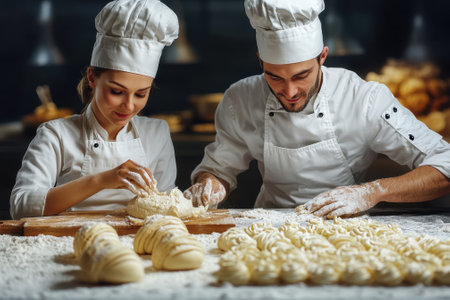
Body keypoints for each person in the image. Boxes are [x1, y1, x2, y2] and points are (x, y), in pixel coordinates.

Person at [183, 0, 450, 217]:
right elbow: (219, 170)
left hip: (348, 234)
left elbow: (445, 164)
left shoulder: (363, 98)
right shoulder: (240, 99)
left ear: (322, 57)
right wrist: (209, 186)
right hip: (269, 231)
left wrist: (371, 192)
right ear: (261, 61)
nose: (289, 92)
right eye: (274, 77)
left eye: (301, 76)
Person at [10, 0, 179, 220]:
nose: (128, 106)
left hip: (140, 243)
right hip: (69, 240)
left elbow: (167, 209)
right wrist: (101, 180)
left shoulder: (157, 133)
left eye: (140, 94)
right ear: (92, 77)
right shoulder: (56, 135)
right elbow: (21, 206)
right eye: (117, 92)